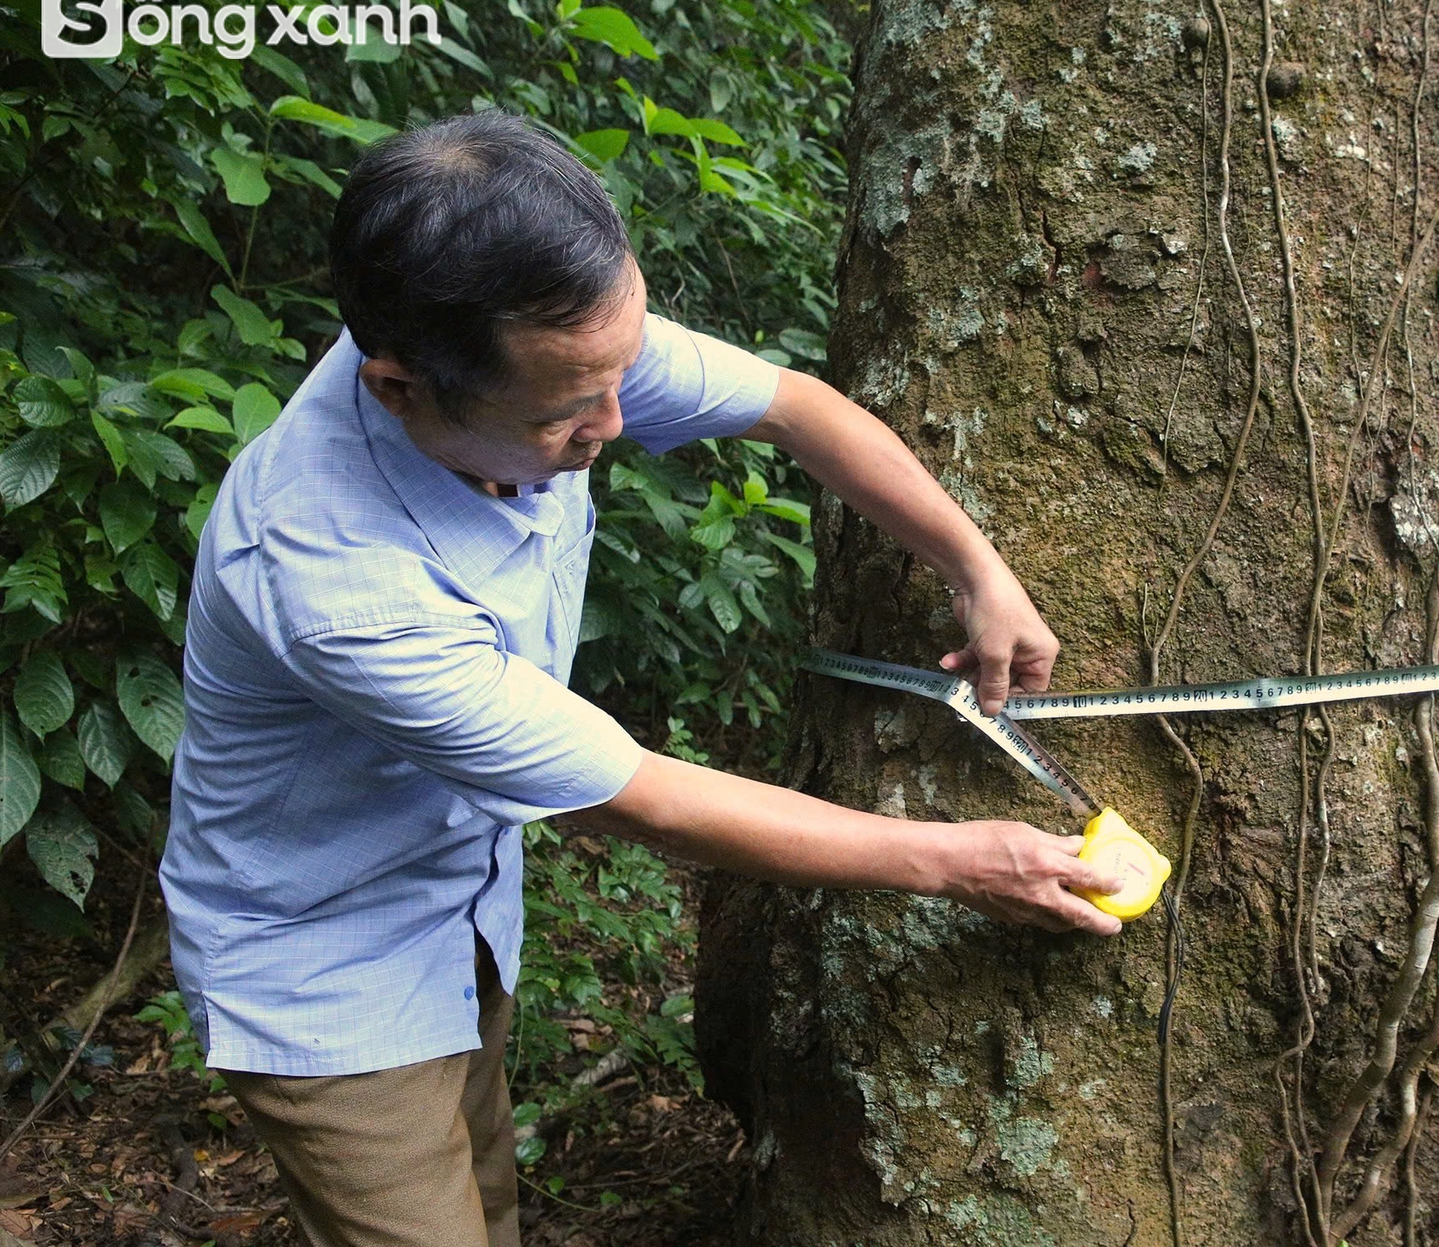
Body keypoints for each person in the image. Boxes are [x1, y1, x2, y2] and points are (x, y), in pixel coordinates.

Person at [157, 110, 1121, 1247]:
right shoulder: (336, 583)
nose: (617, 422)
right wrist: (962, 861)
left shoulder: (539, 341)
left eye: (620, 372)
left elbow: (795, 408)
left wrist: (977, 566)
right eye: (570, 415)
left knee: (484, 1200)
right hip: (328, 958)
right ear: (398, 386)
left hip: (460, 898)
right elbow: (643, 800)